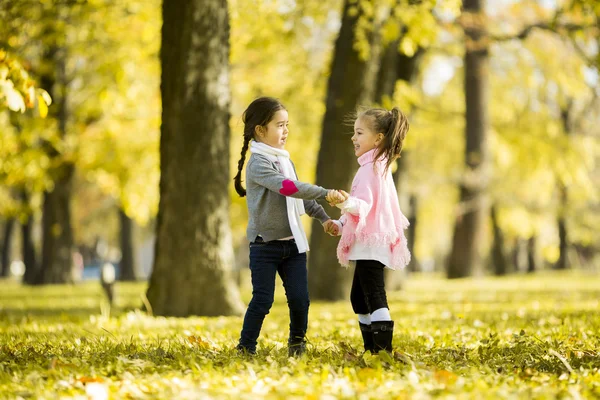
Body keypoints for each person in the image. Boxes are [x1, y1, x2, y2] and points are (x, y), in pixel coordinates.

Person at [233, 96, 342, 356]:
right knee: (262, 300)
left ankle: (297, 344)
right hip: (264, 246)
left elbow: (297, 199)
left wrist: (324, 218)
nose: (286, 131)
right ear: (261, 130)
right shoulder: (258, 163)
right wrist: (325, 192)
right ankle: (246, 347)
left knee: (300, 299)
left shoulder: (284, 160)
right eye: (280, 125)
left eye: (287, 125)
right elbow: (288, 188)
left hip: (292, 245)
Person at [327, 106, 411, 354]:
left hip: (372, 243)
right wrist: (341, 224)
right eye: (354, 132)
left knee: (374, 295)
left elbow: (362, 205)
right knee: (358, 298)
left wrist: (343, 202)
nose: (354, 138)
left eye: (359, 133)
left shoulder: (371, 168)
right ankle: (371, 349)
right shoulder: (376, 166)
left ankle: (381, 353)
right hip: (371, 241)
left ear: (378, 138)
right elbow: (367, 209)